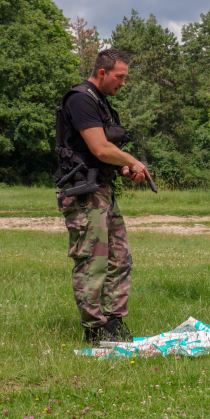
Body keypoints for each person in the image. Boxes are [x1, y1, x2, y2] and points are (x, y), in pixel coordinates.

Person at [54, 49, 151, 344]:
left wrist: (123, 167)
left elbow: (104, 152)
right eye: (119, 77)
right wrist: (132, 160)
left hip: (103, 190)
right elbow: (99, 148)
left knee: (120, 258)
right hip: (84, 194)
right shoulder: (81, 99)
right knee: (92, 262)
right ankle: (94, 330)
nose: (123, 83)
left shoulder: (101, 103)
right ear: (102, 73)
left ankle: (113, 323)